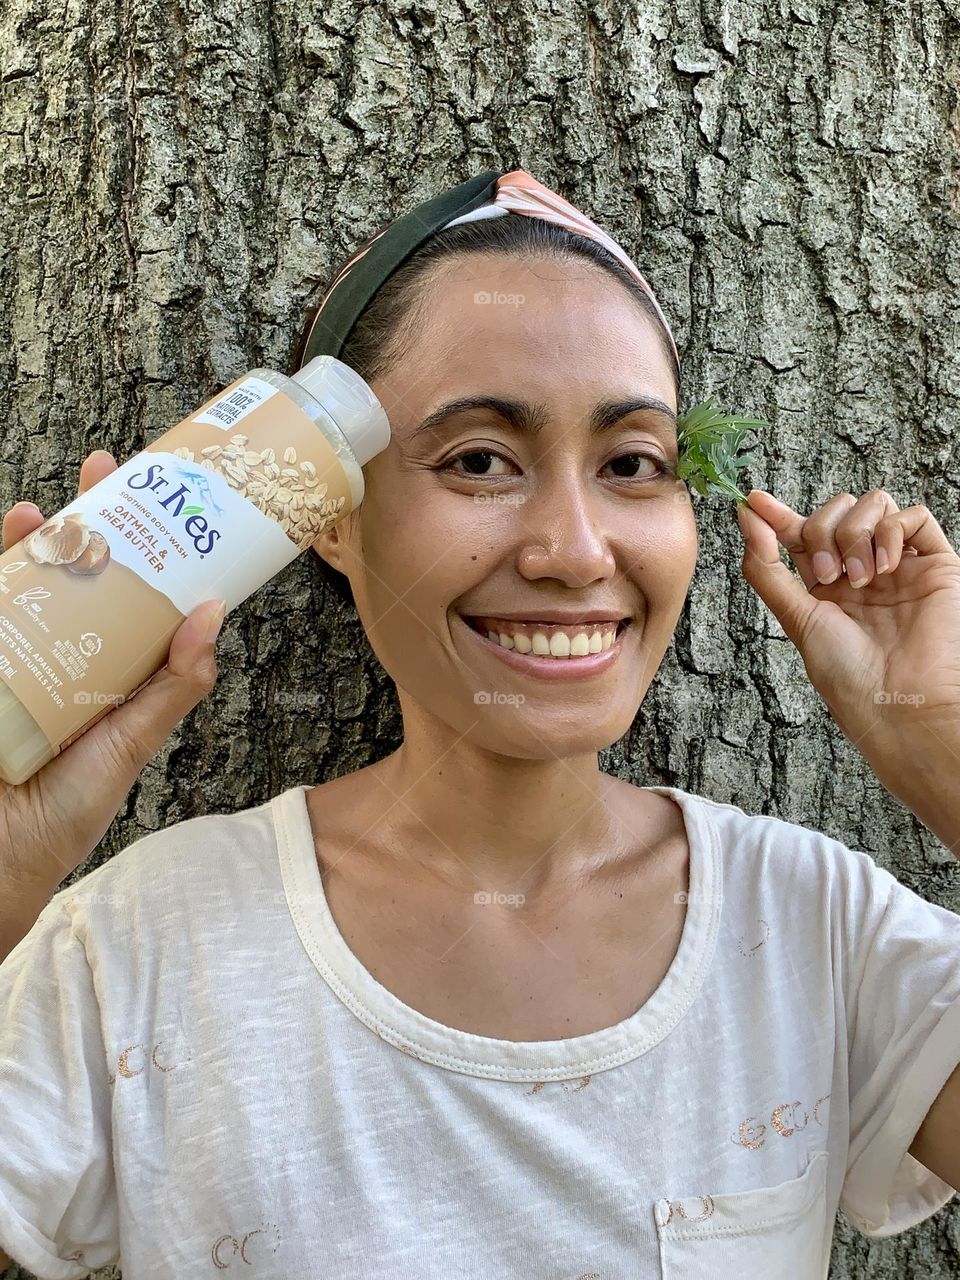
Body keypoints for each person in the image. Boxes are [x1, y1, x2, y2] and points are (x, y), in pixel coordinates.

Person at [0, 168, 958, 1279]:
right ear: (327, 518)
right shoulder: (134, 945)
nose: (575, 548)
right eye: (479, 461)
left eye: (633, 464)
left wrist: (937, 735)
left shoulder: (811, 928)